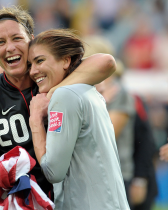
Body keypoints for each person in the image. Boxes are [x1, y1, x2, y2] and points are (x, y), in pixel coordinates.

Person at [0, 6, 116, 210]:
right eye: (0, 42)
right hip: (14, 201)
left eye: (16, 38)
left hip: (65, 199)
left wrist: (52, 92)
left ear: (31, 40)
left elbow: (107, 63)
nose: (10, 47)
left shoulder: (50, 75)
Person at [28, 29, 130, 209]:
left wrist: (35, 119)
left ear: (66, 60)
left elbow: (53, 171)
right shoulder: (87, 90)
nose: (33, 71)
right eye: (30, 64)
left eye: (40, 60)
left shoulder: (64, 95)